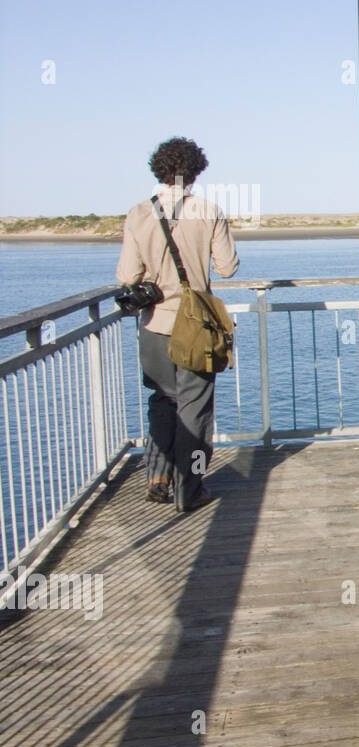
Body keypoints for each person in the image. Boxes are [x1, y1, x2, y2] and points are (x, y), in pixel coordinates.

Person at [116, 137, 239, 511]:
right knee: (195, 409)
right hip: (195, 329)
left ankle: (158, 475)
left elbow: (127, 275)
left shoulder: (138, 214)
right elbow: (227, 268)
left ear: (158, 170)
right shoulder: (209, 211)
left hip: (154, 326)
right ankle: (190, 489)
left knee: (162, 399)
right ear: (196, 172)